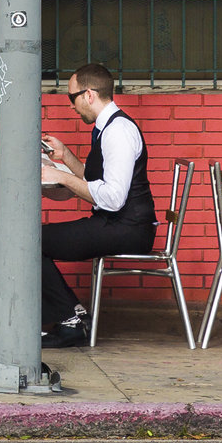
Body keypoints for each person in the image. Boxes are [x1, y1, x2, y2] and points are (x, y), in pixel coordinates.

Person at [35, 62, 155, 348]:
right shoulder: (107, 127)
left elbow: (113, 199)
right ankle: (71, 315)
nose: (72, 107)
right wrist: (65, 157)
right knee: (31, 239)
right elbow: (93, 177)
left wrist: (60, 177)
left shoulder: (118, 131)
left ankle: (72, 321)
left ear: (89, 95)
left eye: (72, 98)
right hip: (118, 224)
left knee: (29, 241)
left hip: (128, 228)